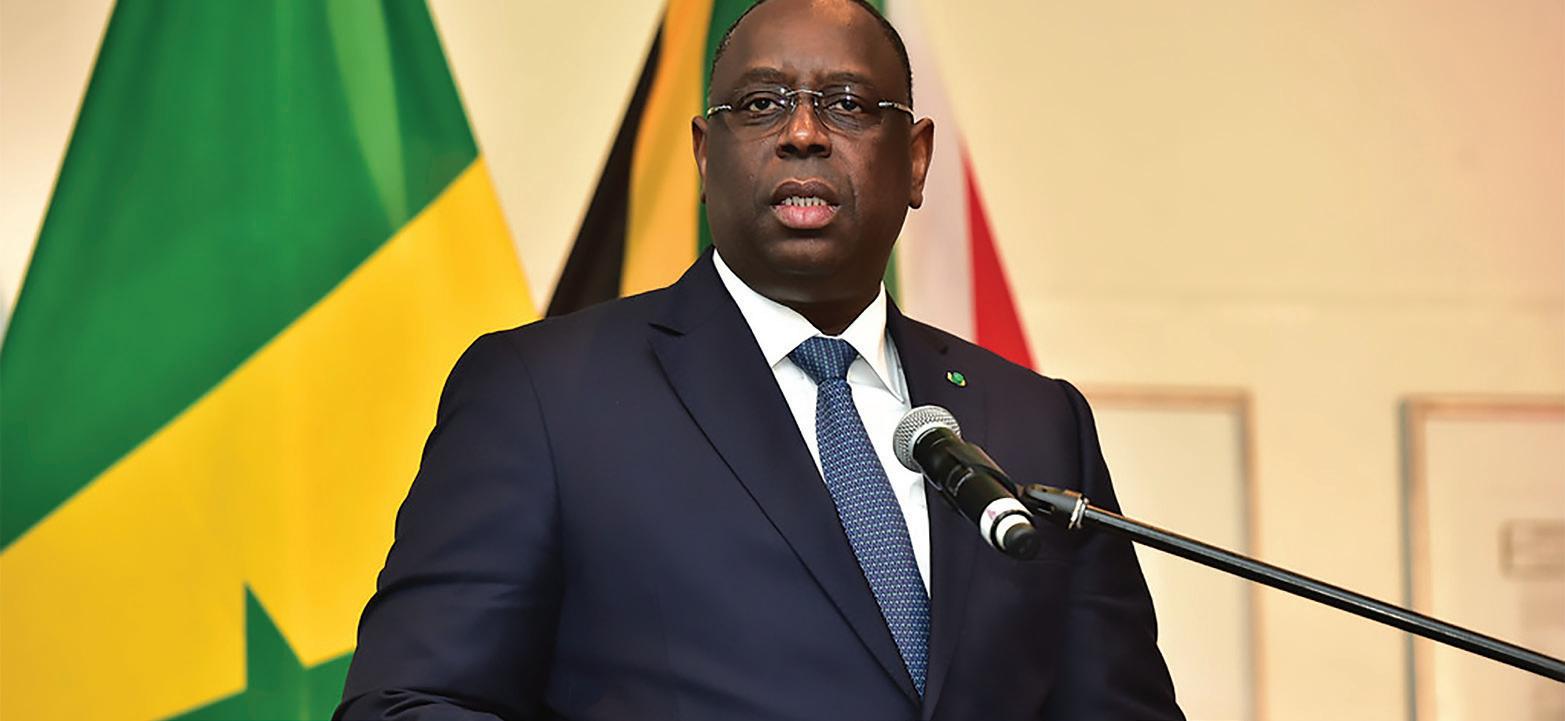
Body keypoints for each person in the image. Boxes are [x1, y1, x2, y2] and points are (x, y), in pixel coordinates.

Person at [336, 0, 1182, 718]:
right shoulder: (545, 394)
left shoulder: (1035, 422)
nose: (803, 133)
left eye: (847, 103)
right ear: (705, 156)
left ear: (916, 159)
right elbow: (407, 701)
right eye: (761, 103)